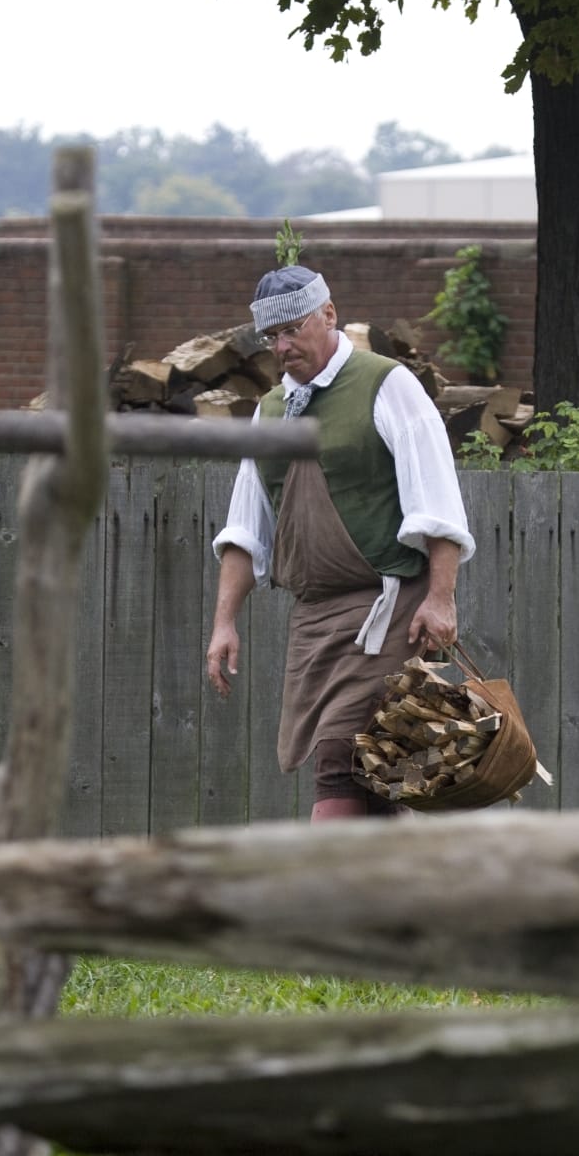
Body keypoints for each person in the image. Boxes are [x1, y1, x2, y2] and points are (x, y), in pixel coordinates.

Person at [206, 264, 475, 821]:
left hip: (389, 609)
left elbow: (438, 501)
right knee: (377, 772)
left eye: (293, 330)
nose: (283, 347)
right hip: (314, 622)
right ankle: (404, 877)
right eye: (272, 337)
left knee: (339, 755)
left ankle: (319, 875)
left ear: (328, 314)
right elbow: (245, 528)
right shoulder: (270, 411)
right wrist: (224, 623)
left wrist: (440, 598)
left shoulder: (387, 383)